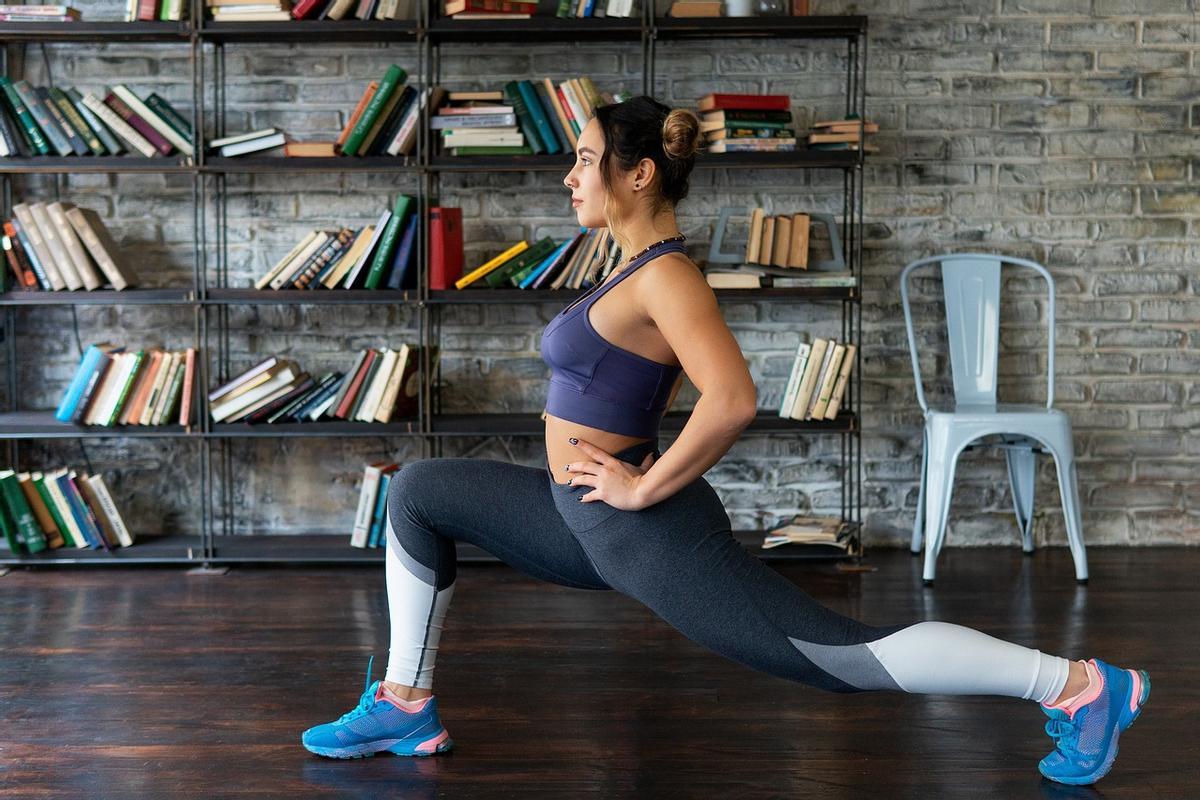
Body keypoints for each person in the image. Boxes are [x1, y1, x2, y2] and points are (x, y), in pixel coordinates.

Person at [300, 96, 1150, 786]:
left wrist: (639, 489)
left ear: (638, 174)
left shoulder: (666, 274)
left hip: (634, 525)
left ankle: (1078, 686)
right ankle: (406, 704)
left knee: (836, 658)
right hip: (579, 516)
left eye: (587, 161)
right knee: (418, 493)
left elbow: (734, 398)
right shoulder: (623, 264)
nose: (570, 178)